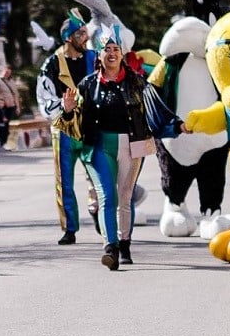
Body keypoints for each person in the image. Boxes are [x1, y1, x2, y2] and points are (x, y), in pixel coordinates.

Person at [55, 31, 155, 271]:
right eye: (106, 50)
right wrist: (68, 110)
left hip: (132, 146)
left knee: (125, 196)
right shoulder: (88, 85)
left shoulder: (138, 82)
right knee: (106, 197)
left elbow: (155, 112)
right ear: (99, 56)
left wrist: (178, 125)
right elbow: (74, 122)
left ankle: (125, 243)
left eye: (115, 50)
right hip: (99, 146)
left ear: (122, 54)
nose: (111, 53)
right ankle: (110, 248)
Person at [35, 14, 96, 245]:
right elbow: (44, 97)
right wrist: (63, 105)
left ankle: (101, 216)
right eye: (80, 34)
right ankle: (70, 228)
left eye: (85, 32)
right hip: (64, 130)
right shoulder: (51, 64)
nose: (85, 37)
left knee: (99, 177)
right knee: (64, 182)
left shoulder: (95, 58)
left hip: (91, 127)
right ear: (68, 38)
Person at [0, 65, 18, 150]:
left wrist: (17, 106)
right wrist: (2, 101)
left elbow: (15, 94)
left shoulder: (11, 81)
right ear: (3, 70)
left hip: (10, 107)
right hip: (0, 107)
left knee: (6, 126)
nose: (7, 73)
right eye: (6, 71)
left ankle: (3, 143)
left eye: (9, 72)